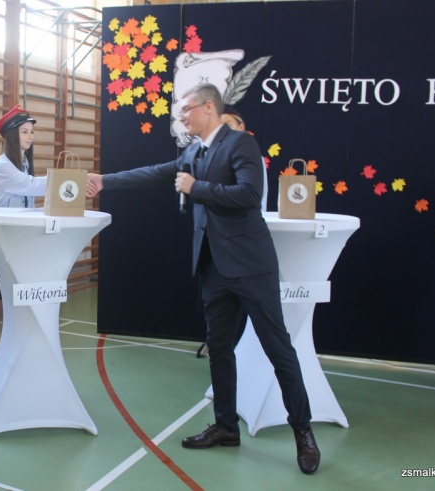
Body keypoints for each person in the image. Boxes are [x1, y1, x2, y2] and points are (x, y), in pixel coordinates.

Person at [86, 83, 320, 475]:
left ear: (209, 107)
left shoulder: (241, 144)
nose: (181, 117)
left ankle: (303, 432)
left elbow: (249, 195)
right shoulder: (194, 151)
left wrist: (197, 188)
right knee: (220, 349)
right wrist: (107, 179)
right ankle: (226, 426)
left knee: (278, 349)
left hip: (251, 266)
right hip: (214, 268)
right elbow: (157, 172)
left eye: (186, 110)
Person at [0, 105, 47, 367]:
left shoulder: (23, 163)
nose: (30, 136)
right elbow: (30, 187)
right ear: (12, 135)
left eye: (32, 131)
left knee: (16, 307)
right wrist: (65, 181)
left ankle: (11, 358)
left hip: (17, 245)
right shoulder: (3, 165)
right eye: (25, 131)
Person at [197, 105, 268, 357]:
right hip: (219, 252)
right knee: (220, 334)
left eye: (228, 126)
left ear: (241, 127)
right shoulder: (209, 156)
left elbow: (250, 197)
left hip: (249, 250)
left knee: (273, 336)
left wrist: (199, 188)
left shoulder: (248, 155)